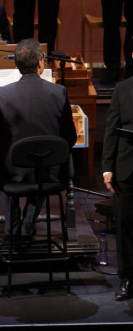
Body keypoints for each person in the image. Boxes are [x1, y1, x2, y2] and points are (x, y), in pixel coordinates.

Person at [0, 38, 77, 241]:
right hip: (48, 174)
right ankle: (26, 228)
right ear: (39, 64)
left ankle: (13, 230)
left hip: (12, 174)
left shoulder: (1, 94)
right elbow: (69, 137)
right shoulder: (59, 92)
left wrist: (10, 155)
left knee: (7, 167)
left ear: (18, 65)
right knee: (42, 166)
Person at [102, 44, 133, 301]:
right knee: (124, 226)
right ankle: (127, 279)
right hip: (127, 169)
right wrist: (107, 168)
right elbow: (111, 128)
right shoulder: (122, 89)